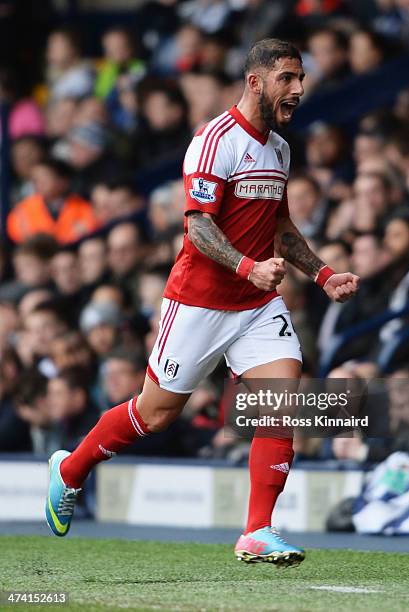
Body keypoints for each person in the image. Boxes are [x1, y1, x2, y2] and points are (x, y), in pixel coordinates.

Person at [45, 39, 359, 566]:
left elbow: (280, 227)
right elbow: (197, 225)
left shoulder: (280, 150)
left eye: (301, 78)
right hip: (199, 302)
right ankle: (70, 470)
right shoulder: (214, 140)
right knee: (156, 413)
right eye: (287, 78)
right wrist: (247, 267)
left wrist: (323, 274)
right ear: (255, 81)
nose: (299, 89)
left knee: (282, 401)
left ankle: (258, 530)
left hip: (256, 305)